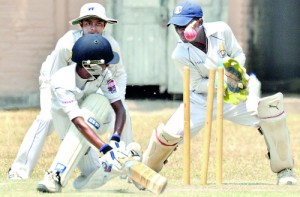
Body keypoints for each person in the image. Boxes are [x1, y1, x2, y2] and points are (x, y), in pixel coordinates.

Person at [142, 1, 297, 185]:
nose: (181, 31)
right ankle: (144, 174)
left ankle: (284, 171)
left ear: (199, 22)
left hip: (233, 98)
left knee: (271, 114)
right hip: (200, 101)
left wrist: (236, 73)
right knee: (167, 135)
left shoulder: (221, 30)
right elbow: (197, 84)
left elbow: (238, 55)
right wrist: (222, 82)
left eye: (185, 25)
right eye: (177, 26)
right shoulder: (180, 54)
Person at [8, 2, 133, 180]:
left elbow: (119, 74)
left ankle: (124, 167)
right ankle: (19, 171)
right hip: (56, 81)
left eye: (98, 23)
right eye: (88, 23)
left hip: (93, 80)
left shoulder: (110, 45)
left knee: (123, 111)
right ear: (81, 25)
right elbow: (55, 78)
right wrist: (69, 106)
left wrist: (117, 99)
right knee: (47, 117)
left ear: (104, 25)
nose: (93, 28)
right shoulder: (66, 45)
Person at [37, 34, 140, 193]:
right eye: (105, 63)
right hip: (69, 127)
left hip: (92, 122)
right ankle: (56, 175)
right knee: (94, 173)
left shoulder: (104, 73)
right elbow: (78, 122)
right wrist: (105, 149)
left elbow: (119, 108)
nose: (108, 66)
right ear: (91, 65)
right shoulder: (62, 81)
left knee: (99, 101)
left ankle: (56, 176)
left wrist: (115, 139)